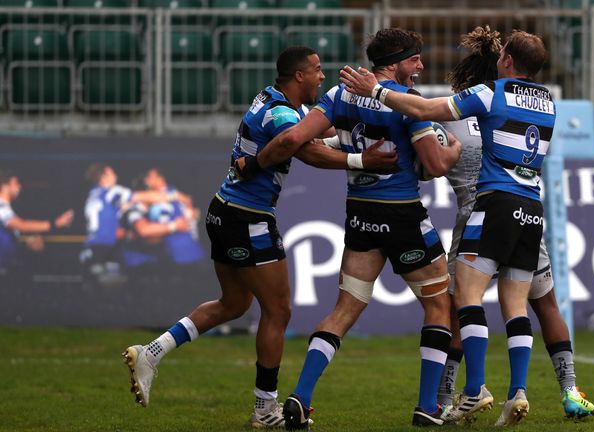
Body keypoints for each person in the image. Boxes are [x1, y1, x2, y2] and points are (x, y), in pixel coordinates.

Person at [121, 46, 398, 429]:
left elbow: (315, 138)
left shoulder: (273, 100)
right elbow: (298, 148)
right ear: (299, 75)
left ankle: (152, 352)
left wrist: (357, 127)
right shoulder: (283, 112)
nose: (323, 76)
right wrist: (361, 160)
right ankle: (265, 409)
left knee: (233, 303)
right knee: (278, 310)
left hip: (224, 210)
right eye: (317, 70)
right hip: (247, 218)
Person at [245, 28, 461, 428]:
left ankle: (301, 396)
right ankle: (428, 406)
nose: (420, 67)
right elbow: (435, 166)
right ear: (396, 62)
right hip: (402, 215)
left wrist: (255, 162)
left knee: (343, 310)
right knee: (439, 306)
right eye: (415, 60)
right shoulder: (404, 105)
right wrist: (454, 148)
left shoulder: (340, 94)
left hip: (360, 215)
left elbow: (297, 138)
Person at [341, 28, 554, 425]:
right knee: (515, 305)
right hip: (532, 208)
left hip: (495, 203)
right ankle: (518, 391)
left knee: (467, 298)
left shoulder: (492, 92)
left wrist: (377, 91)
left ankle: (473, 390)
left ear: (506, 61)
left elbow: (423, 111)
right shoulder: (549, 103)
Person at [433, 26, 594, 421]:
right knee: (542, 305)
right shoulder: (523, 107)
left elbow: (430, 164)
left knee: (462, 305)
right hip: (524, 214)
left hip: (479, 218)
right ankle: (569, 390)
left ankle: (450, 394)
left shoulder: (456, 115)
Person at [0, 170, 74, 269]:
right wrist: (55, 223)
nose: (19, 187)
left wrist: (26, 245)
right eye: (16, 183)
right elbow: (21, 225)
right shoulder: (1, 206)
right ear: (5, 186)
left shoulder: (6, 208)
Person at [141, 168, 205, 266]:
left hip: (180, 254)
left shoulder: (169, 196)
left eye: (149, 177)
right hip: (185, 253)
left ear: (160, 178)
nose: (146, 180)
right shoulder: (175, 195)